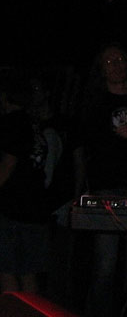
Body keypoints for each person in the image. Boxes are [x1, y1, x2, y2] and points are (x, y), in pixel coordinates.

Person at [72, 43, 127, 317]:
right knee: (105, 265)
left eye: (119, 59)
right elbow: (89, 145)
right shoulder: (96, 103)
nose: (116, 65)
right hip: (106, 189)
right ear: (101, 71)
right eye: (109, 62)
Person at [0, 68, 51, 296]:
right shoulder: (33, 124)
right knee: (28, 273)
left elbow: (8, 165)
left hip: (13, 210)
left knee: (8, 272)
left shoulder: (12, 123)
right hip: (34, 209)